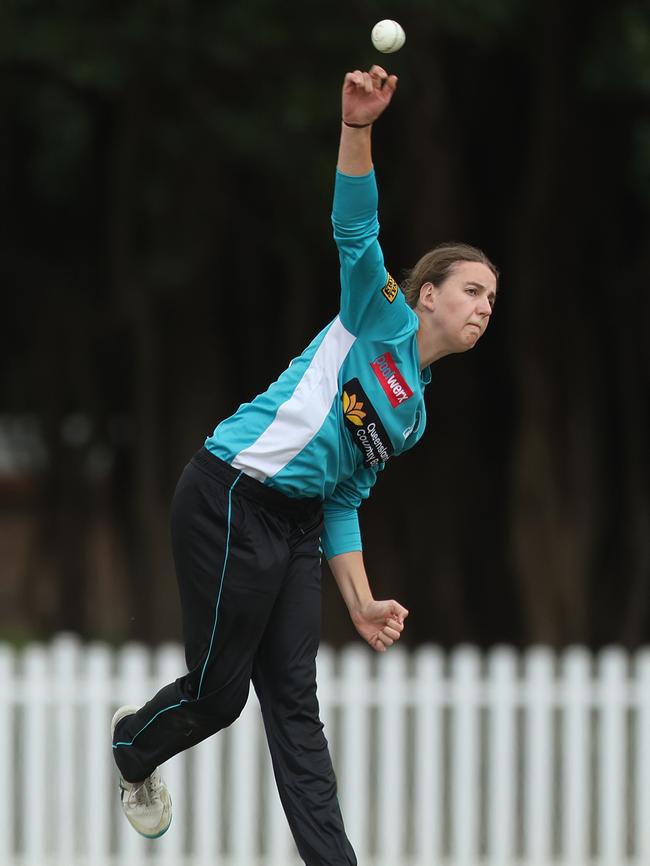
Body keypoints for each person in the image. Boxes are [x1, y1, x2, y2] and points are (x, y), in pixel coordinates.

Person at [110, 65, 497, 865]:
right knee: (219, 700)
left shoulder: (414, 412)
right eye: (471, 290)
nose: (485, 307)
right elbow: (356, 228)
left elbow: (346, 492)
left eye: (493, 299)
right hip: (229, 496)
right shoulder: (377, 310)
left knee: (295, 707)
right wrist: (357, 128)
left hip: (295, 530)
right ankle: (133, 749)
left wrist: (359, 601)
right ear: (427, 295)